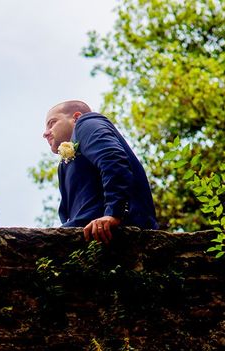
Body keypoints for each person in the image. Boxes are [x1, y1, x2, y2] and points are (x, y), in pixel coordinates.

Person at [43, 100, 158, 245]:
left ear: (76, 117)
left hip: (114, 233)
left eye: (52, 122)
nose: (45, 133)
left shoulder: (86, 124)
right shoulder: (64, 164)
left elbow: (112, 158)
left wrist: (114, 213)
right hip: (87, 235)